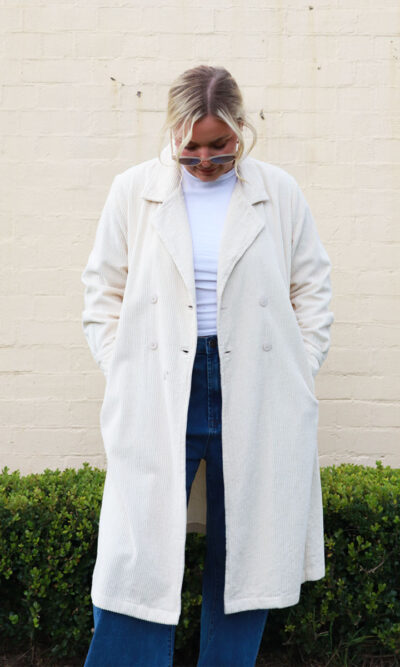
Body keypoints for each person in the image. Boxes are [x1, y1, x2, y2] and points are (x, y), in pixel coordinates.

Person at [81, 65, 334, 666]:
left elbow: (312, 288)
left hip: (257, 380)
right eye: (190, 146)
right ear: (171, 133)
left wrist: (299, 367)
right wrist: (123, 369)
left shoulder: (279, 192)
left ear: (241, 130)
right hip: (162, 380)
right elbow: (103, 292)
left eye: (219, 145)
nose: (204, 159)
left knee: (248, 544)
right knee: (136, 546)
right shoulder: (133, 191)